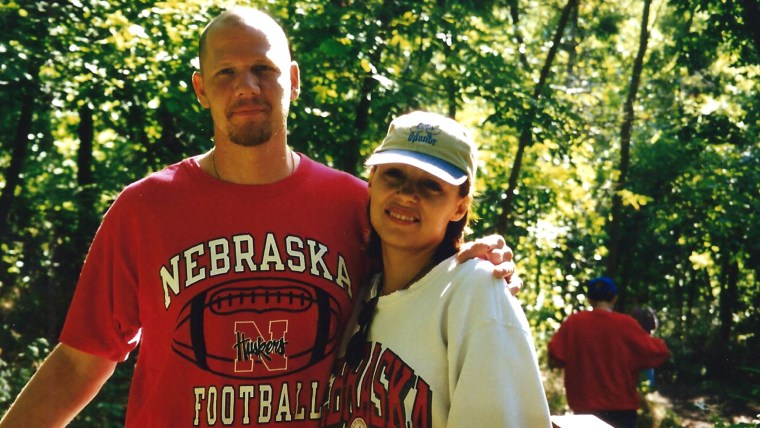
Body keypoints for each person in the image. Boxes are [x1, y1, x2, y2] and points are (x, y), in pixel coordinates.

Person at [0, 8, 521, 428]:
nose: (246, 86)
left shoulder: (354, 204)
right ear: (202, 88)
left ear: (291, 80)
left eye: (263, 69)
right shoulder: (144, 208)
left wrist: (469, 261)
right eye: (226, 72)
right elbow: (78, 361)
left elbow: (416, 282)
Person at [320, 111, 552, 427]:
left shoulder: (475, 293)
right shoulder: (359, 290)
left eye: (430, 185)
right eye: (394, 175)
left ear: (460, 206)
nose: (406, 194)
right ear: (371, 181)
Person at [548, 276, 670, 428]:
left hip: (584, 411)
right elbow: (658, 352)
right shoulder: (626, 324)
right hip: (621, 411)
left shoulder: (574, 323)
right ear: (614, 298)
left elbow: (554, 355)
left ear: (589, 299)